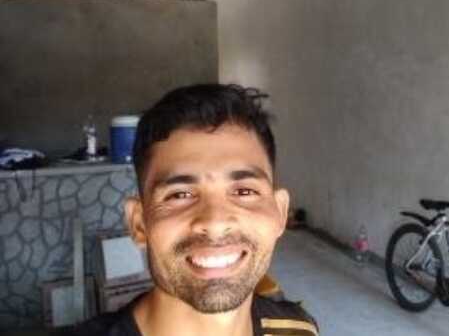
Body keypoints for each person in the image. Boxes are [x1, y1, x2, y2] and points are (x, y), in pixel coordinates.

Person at [66, 84, 318, 336]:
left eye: (244, 191)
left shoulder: (300, 331)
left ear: (280, 213)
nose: (215, 223)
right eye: (180, 195)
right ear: (139, 223)